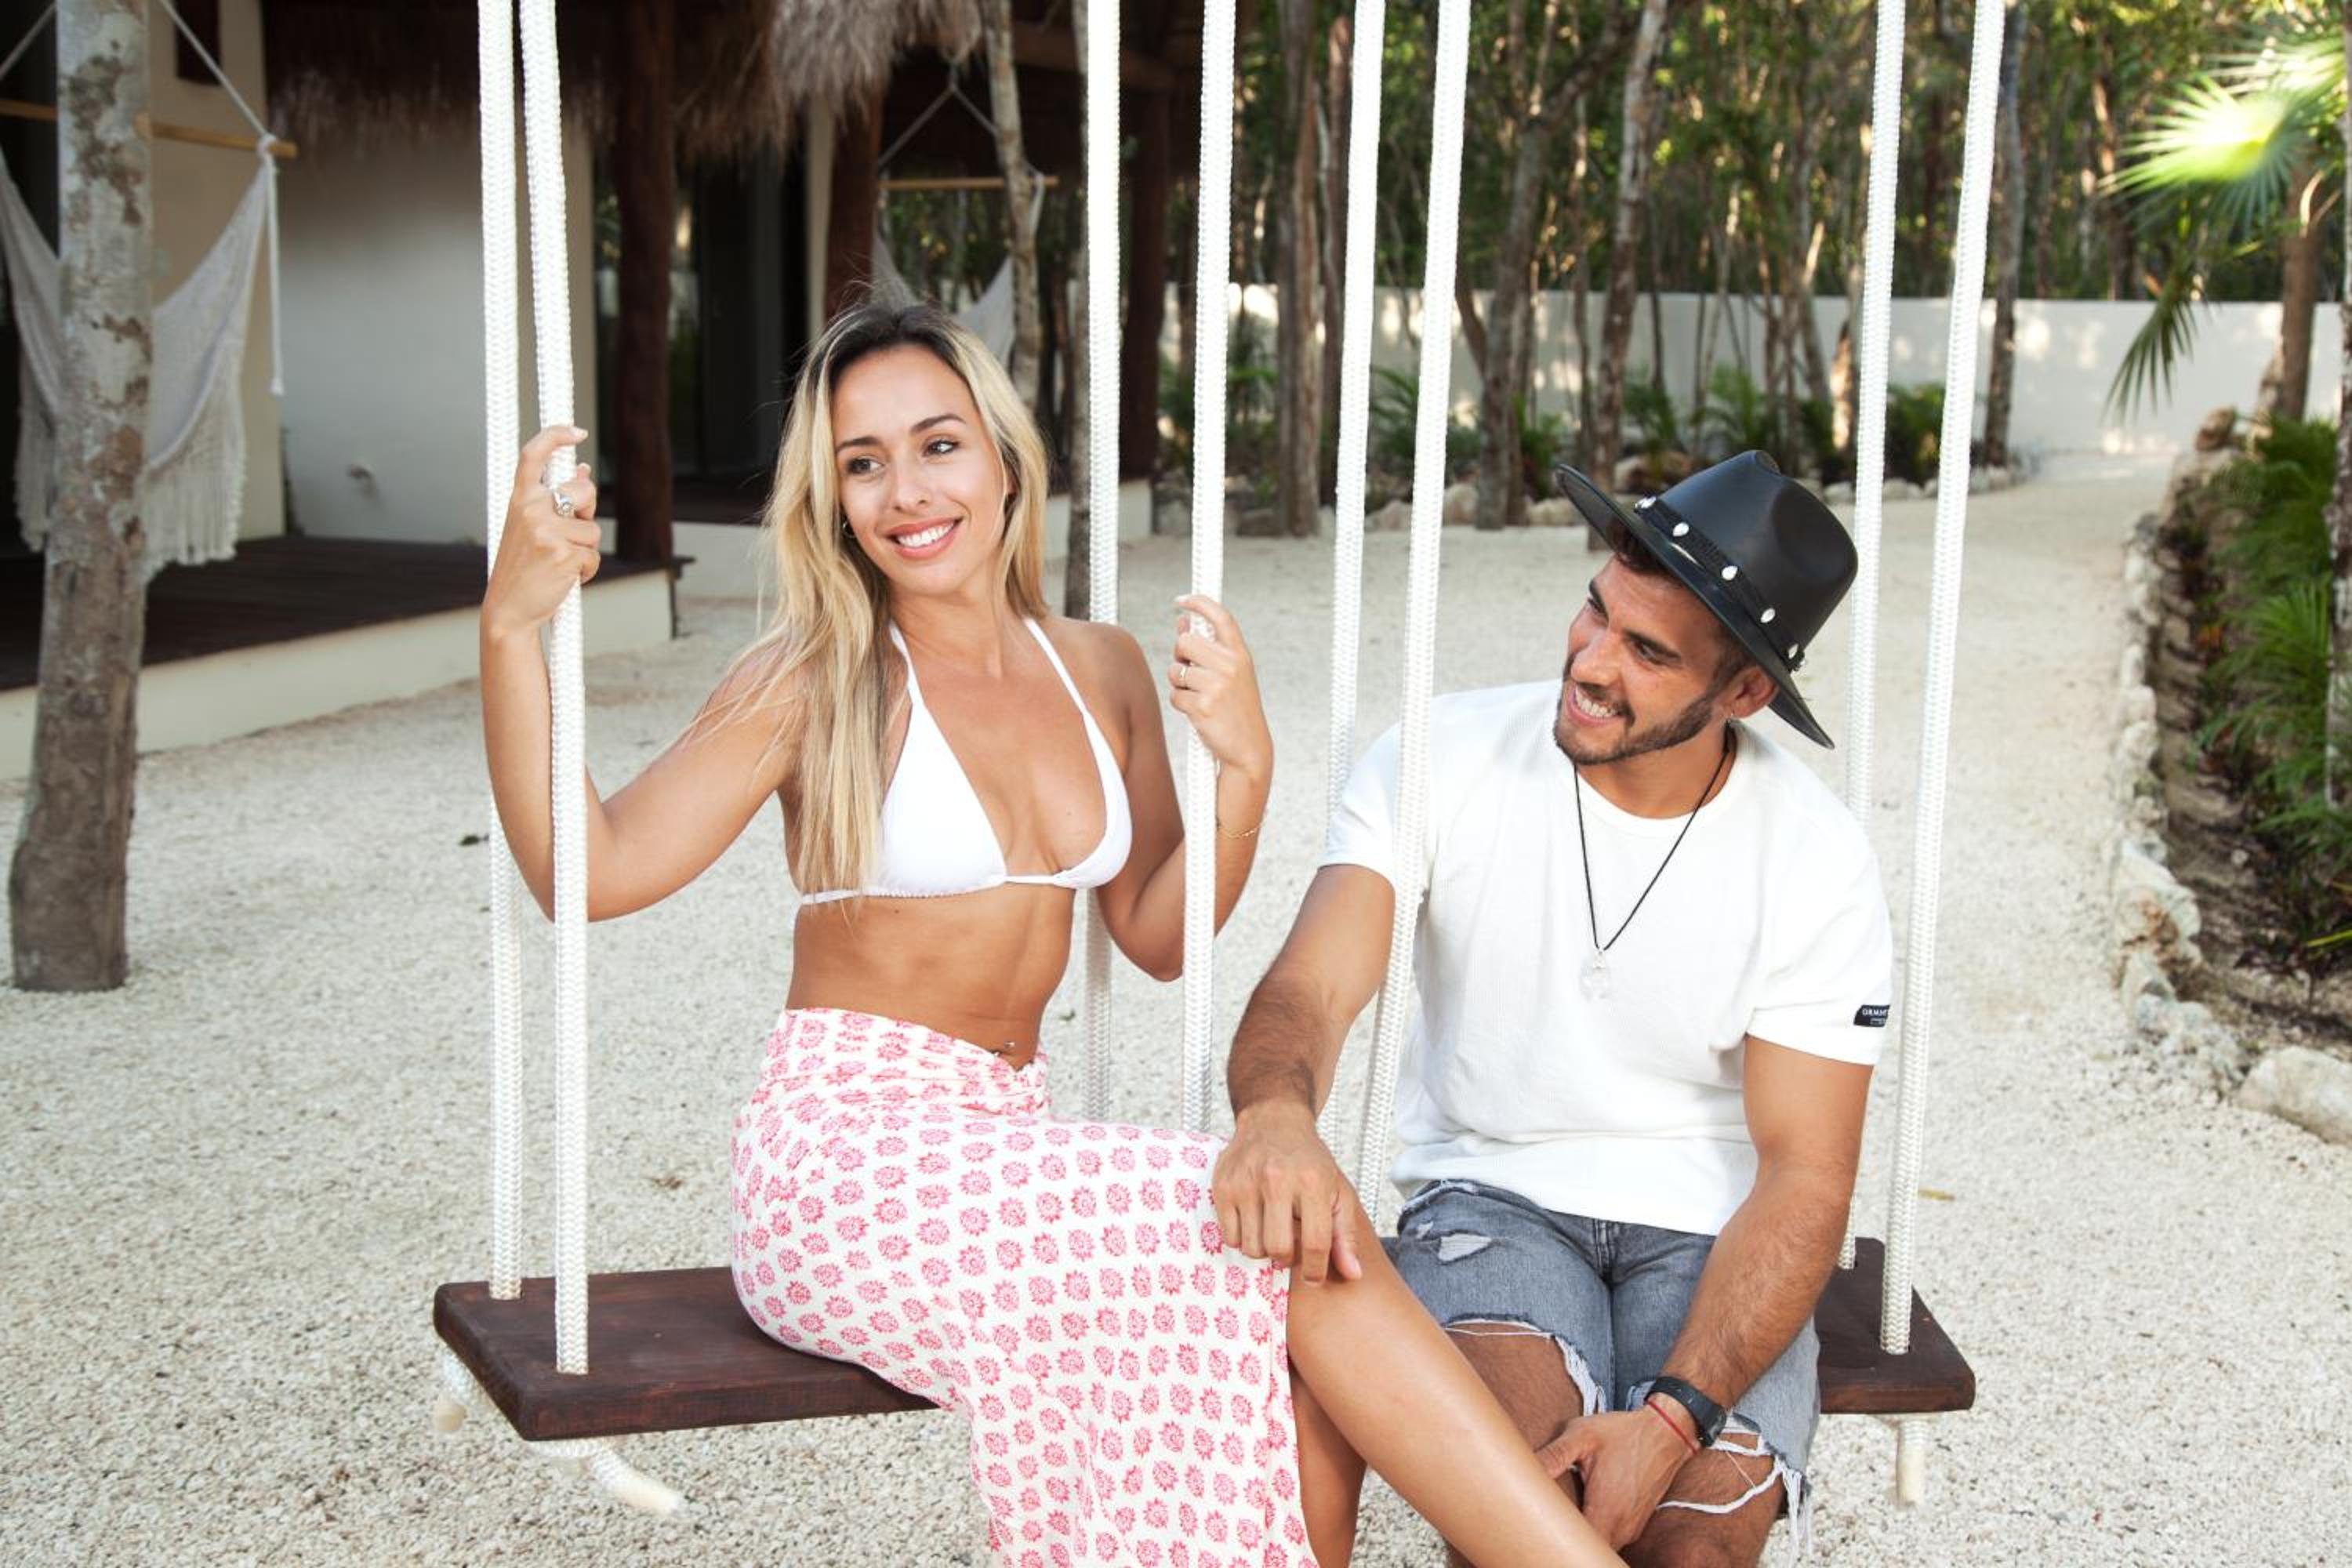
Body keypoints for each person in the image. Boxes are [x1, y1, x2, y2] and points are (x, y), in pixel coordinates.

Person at [480, 301, 1619, 1568]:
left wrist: (1246, 767)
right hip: (842, 1164)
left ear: (1006, 460)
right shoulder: (814, 676)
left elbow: (1162, 935)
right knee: (1281, 1218)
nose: (908, 492)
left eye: (939, 445)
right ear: (834, 499)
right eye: (864, 464)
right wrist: (511, 626)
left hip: (1001, 1144)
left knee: (1282, 1298)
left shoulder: (1101, 668)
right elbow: (589, 871)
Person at [1211, 452, 1895, 1566]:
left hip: (1718, 1229)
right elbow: (1309, 988)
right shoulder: (1442, 757)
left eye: (1648, 652)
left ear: (1743, 694)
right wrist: (1277, 1113)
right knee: (1521, 1516)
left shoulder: (1818, 858)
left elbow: (1806, 1176)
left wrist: (1671, 1424)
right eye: (1596, 611)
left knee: (1694, 1550)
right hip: (1498, 1197)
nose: (1590, 661)